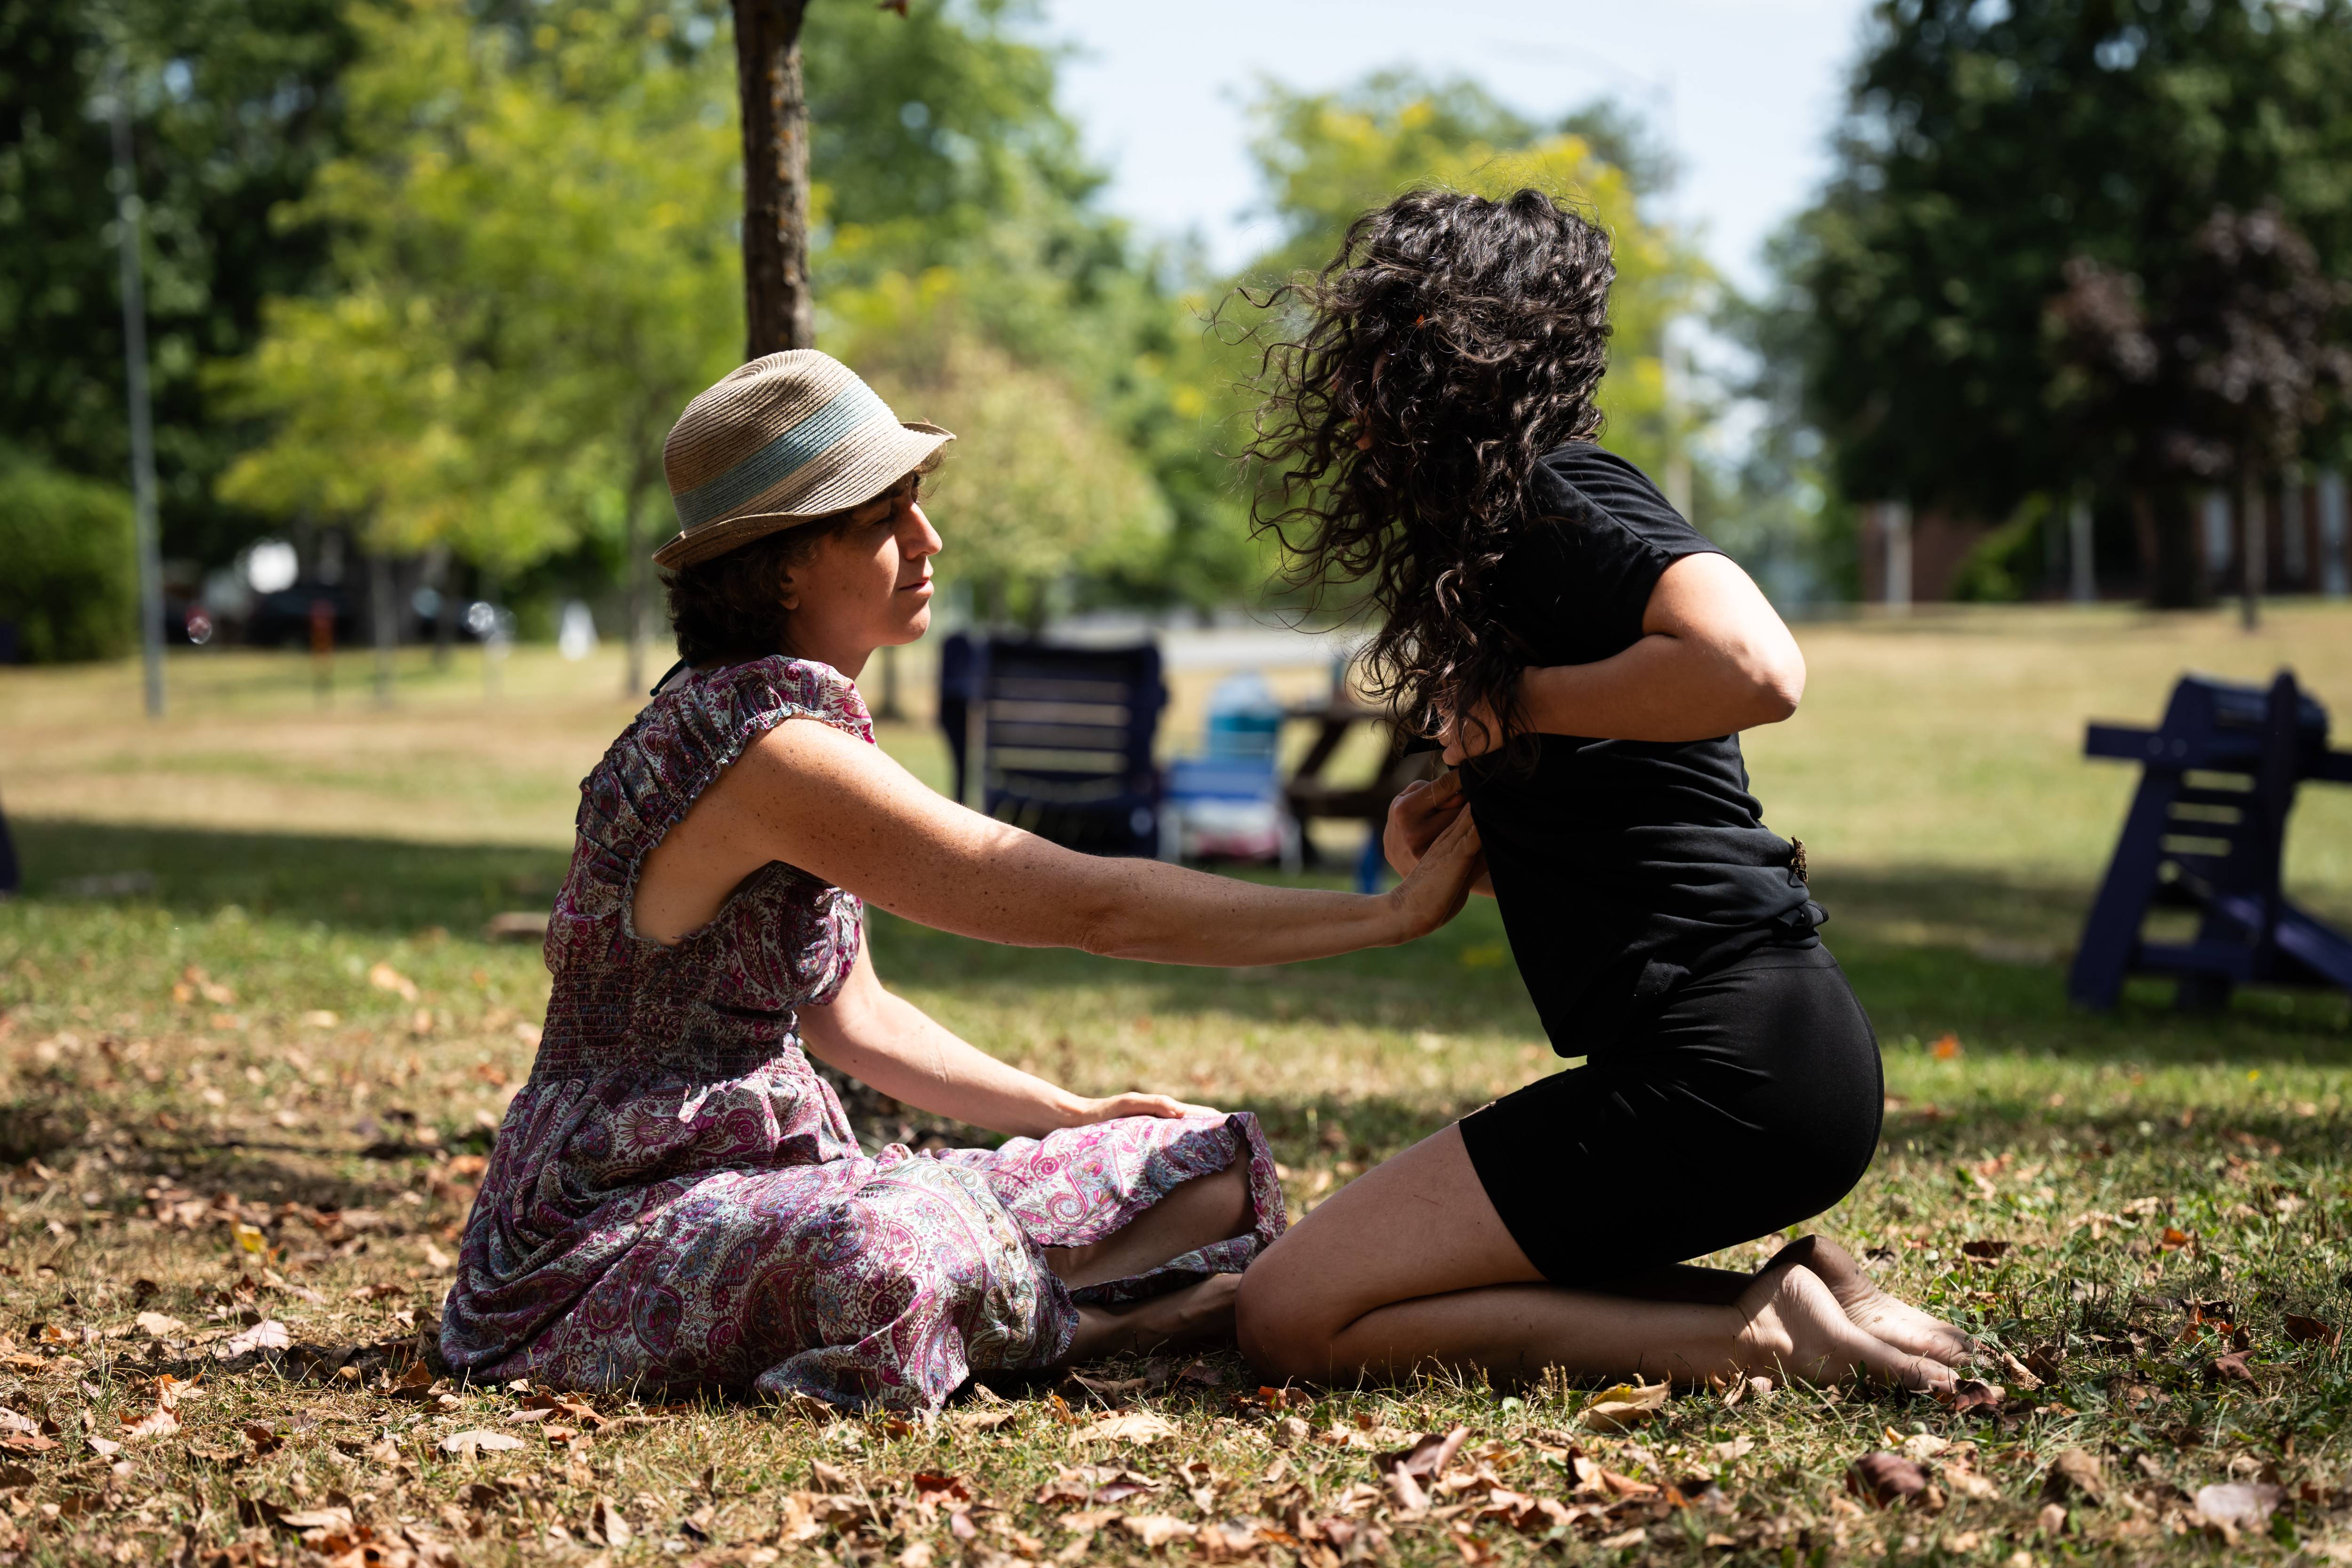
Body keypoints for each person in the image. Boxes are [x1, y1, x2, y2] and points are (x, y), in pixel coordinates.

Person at [440, 351, 1486, 1415]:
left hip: (778, 1187)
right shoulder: (754, 746)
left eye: (918, 505)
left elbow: (855, 1016)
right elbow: (1084, 903)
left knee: (1196, 1165)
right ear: (785, 564)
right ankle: (1127, 1316)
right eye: (883, 517)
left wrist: (1068, 1110)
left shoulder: (788, 725)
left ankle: (1010, 1291)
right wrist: (1383, 915)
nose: (928, 539)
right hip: (612, 1223)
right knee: (889, 1244)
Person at [1231, 189, 1971, 1394]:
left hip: (1731, 1065)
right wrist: (1466, 785)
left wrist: (1510, 708)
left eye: (1387, 354)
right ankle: (1802, 1292)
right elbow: (1616, 737)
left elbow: (1754, 667)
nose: (1357, 398)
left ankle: (1764, 1336)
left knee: (1292, 1314)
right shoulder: (1514, 532)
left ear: (1459, 360)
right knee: (1345, 1296)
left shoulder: (1563, 495)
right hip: (1748, 1060)